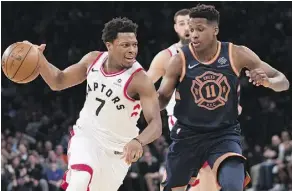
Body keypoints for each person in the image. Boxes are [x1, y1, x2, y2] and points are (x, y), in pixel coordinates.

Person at [157, 4, 290, 191]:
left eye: (200, 29)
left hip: (223, 134)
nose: (193, 34)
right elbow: (162, 97)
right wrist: (145, 105)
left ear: (215, 30)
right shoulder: (179, 59)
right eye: (192, 29)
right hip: (188, 135)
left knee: (233, 185)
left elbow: (283, 81)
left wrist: (267, 82)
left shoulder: (236, 53)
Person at [24, 17, 162, 191]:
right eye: (125, 45)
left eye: (134, 44)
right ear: (109, 45)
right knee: (80, 181)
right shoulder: (93, 60)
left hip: (119, 151)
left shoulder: (140, 80)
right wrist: (38, 58)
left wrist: (138, 141)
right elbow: (58, 81)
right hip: (87, 135)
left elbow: (156, 125)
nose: (132, 50)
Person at [147, 8, 213, 190]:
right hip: (183, 125)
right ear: (176, 28)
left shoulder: (214, 53)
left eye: (189, 23)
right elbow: (143, 86)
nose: (186, 27)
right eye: (181, 23)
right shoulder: (165, 57)